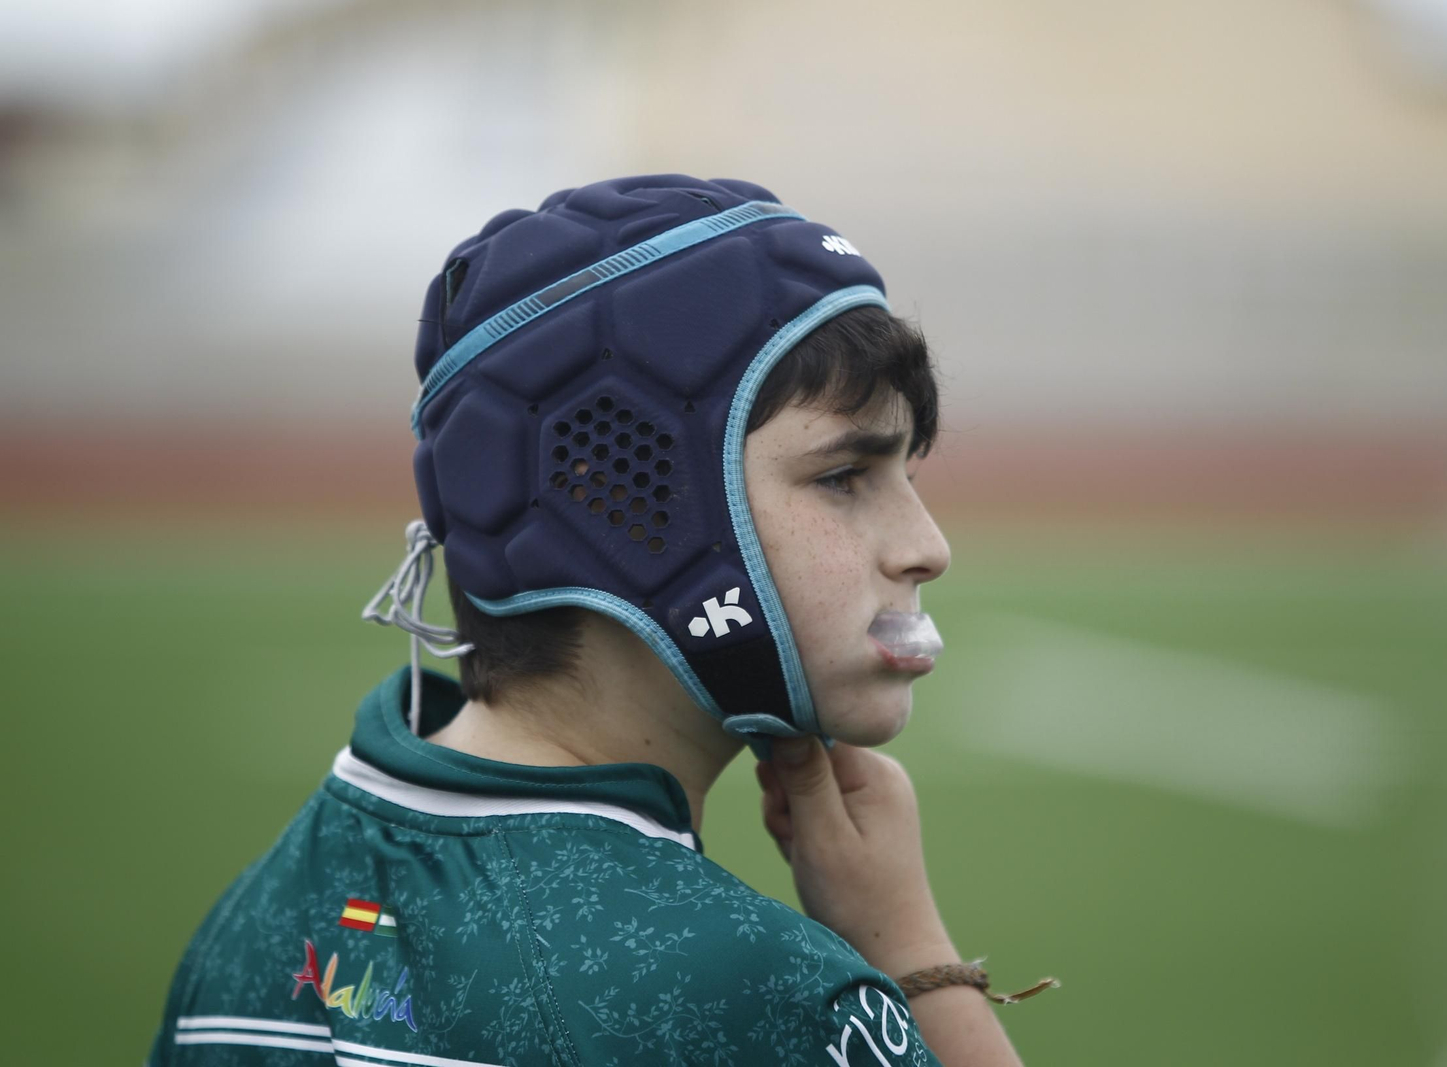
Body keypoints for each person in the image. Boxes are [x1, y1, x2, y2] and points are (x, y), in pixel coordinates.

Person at [147, 174, 1053, 1067]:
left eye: (908, 475)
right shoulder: (751, 991)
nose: (927, 547)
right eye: (843, 477)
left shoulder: (252, 929)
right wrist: (908, 948)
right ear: (619, 509)